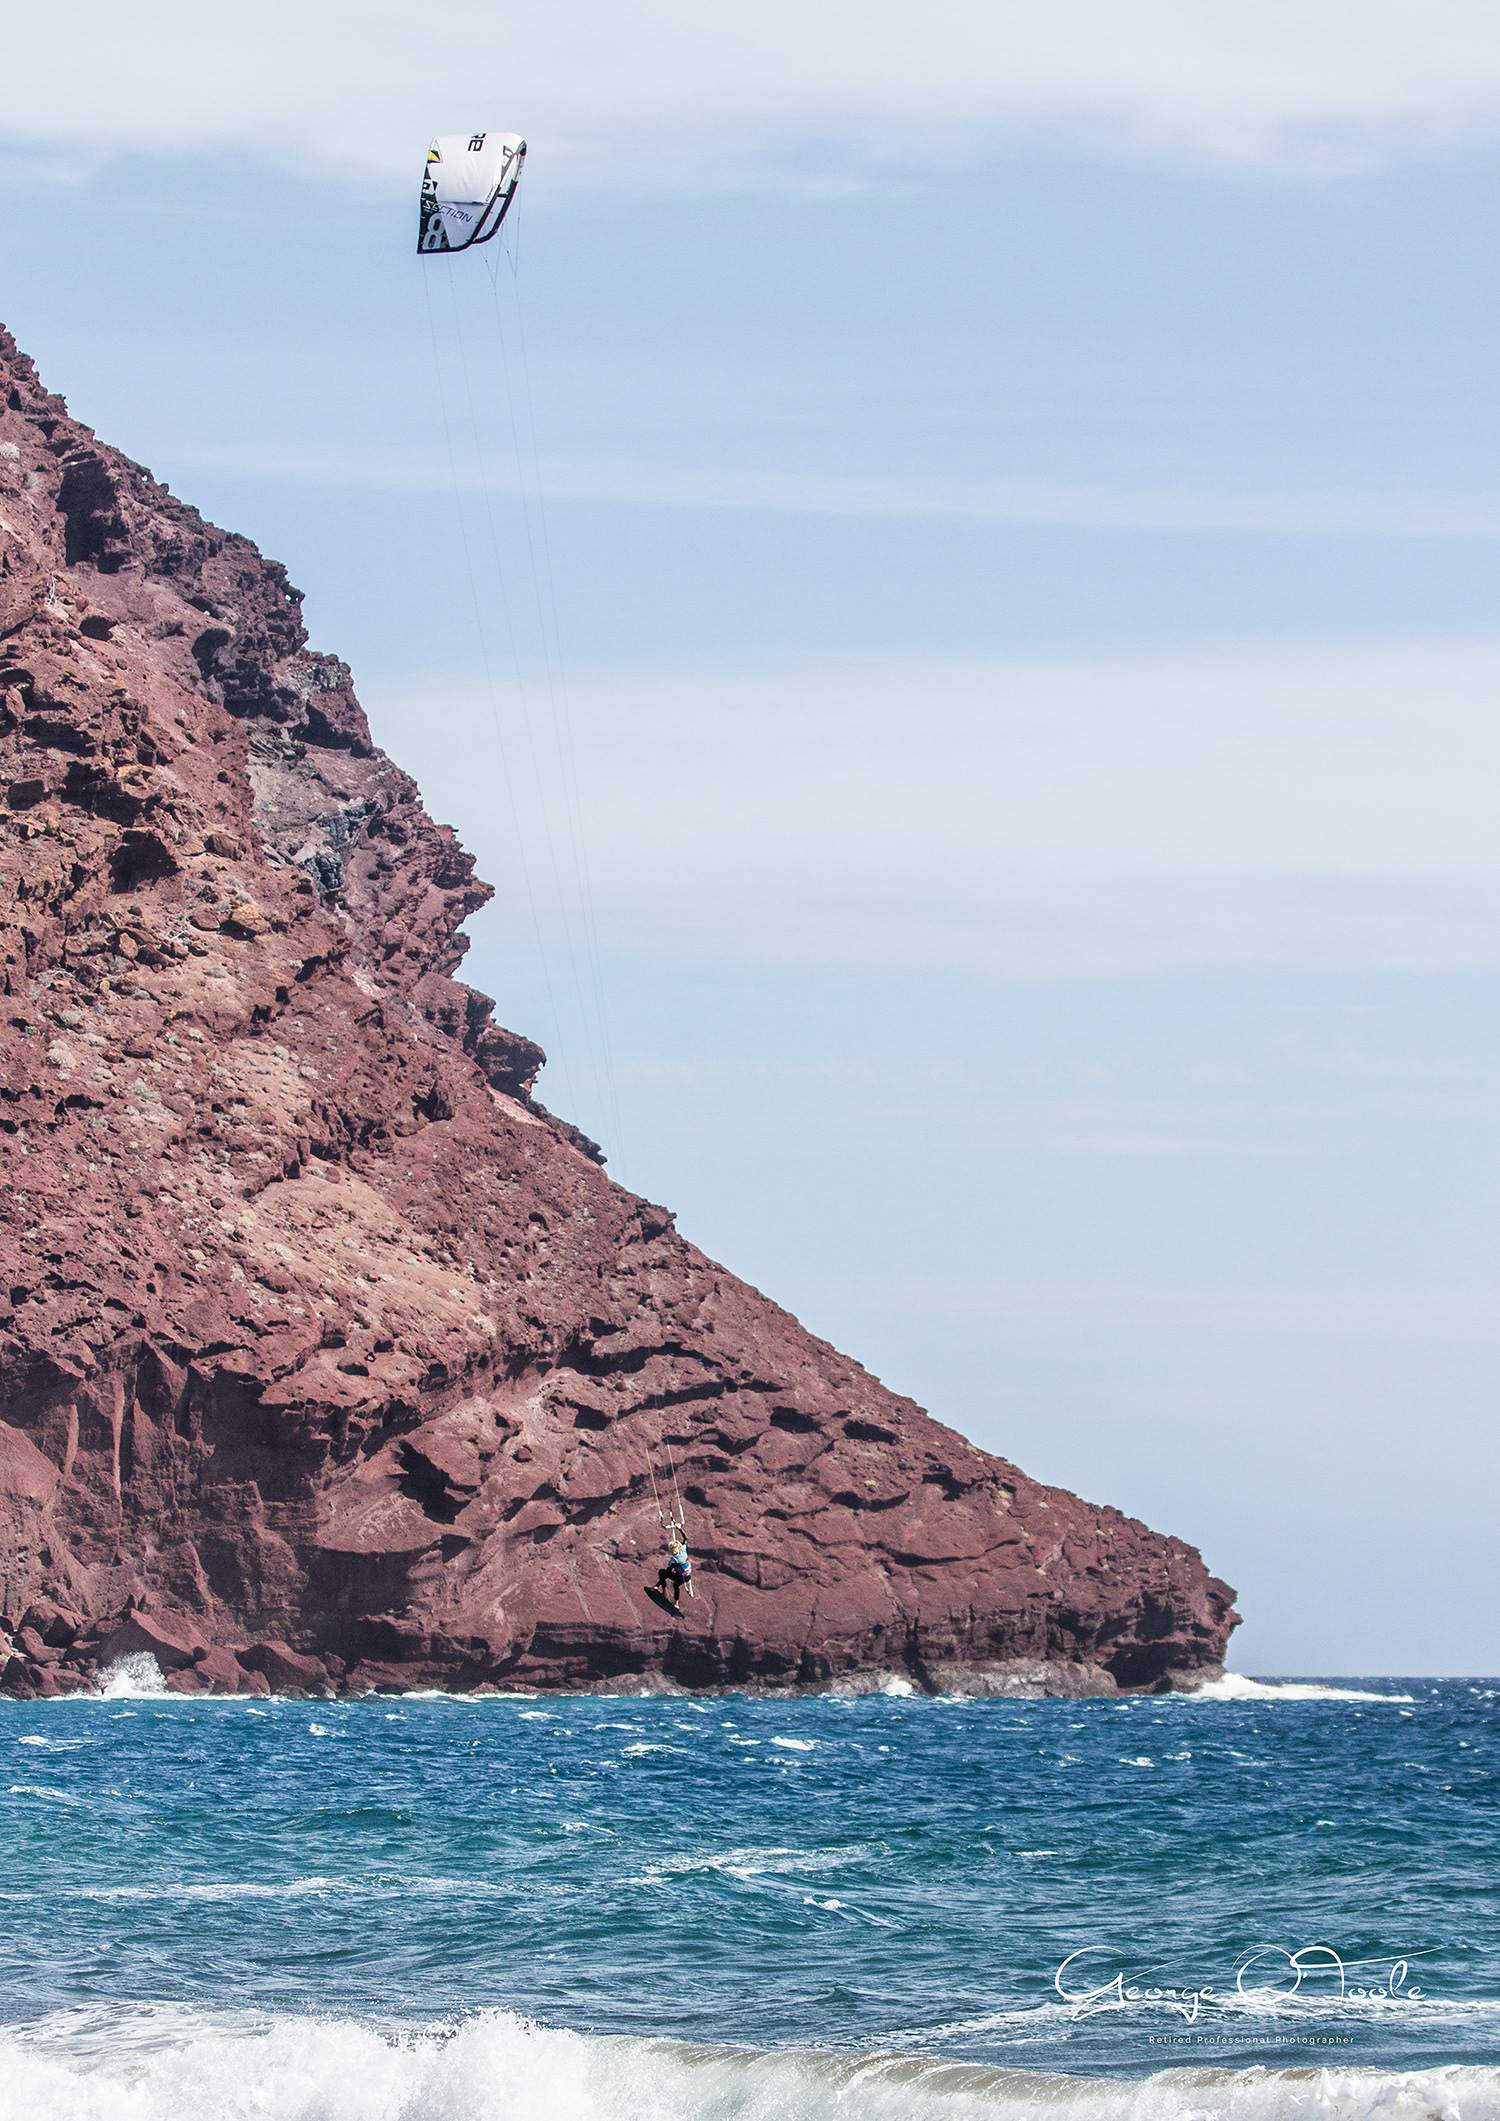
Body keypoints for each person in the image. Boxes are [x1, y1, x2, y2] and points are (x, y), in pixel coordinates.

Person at [657, 1526, 691, 1609]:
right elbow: (686, 1538)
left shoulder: (673, 1560)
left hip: (680, 1577)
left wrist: (657, 1585)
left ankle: (664, 1593)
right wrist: (680, 1529)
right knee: (676, 1585)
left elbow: (666, 1574)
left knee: (661, 1572)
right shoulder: (683, 1550)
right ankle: (676, 1604)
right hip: (687, 1577)